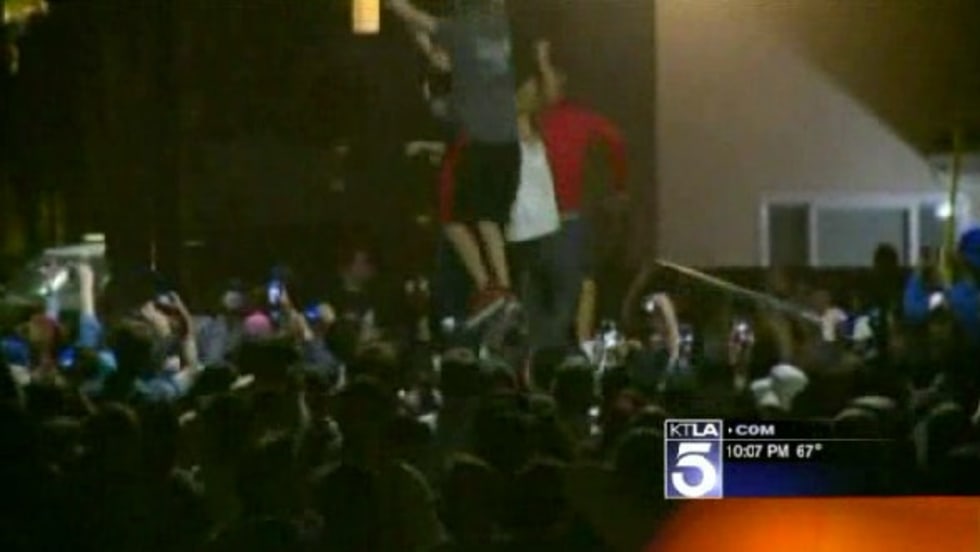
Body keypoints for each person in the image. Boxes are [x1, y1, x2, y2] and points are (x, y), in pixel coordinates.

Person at [387, 0, 521, 325]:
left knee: (459, 219)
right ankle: (501, 287)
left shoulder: (461, 32)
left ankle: (490, 286)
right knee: (487, 218)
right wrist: (419, 37)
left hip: (477, 139)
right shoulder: (499, 32)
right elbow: (437, 51)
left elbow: (420, 21)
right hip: (506, 141)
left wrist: (394, 6)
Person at [533, 40, 628, 345]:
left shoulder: (575, 119)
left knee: (572, 293)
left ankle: (572, 349)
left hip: (563, 223)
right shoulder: (531, 121)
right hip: (540, 225)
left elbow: (616, 142)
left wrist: (618, 186)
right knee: (550, 299)